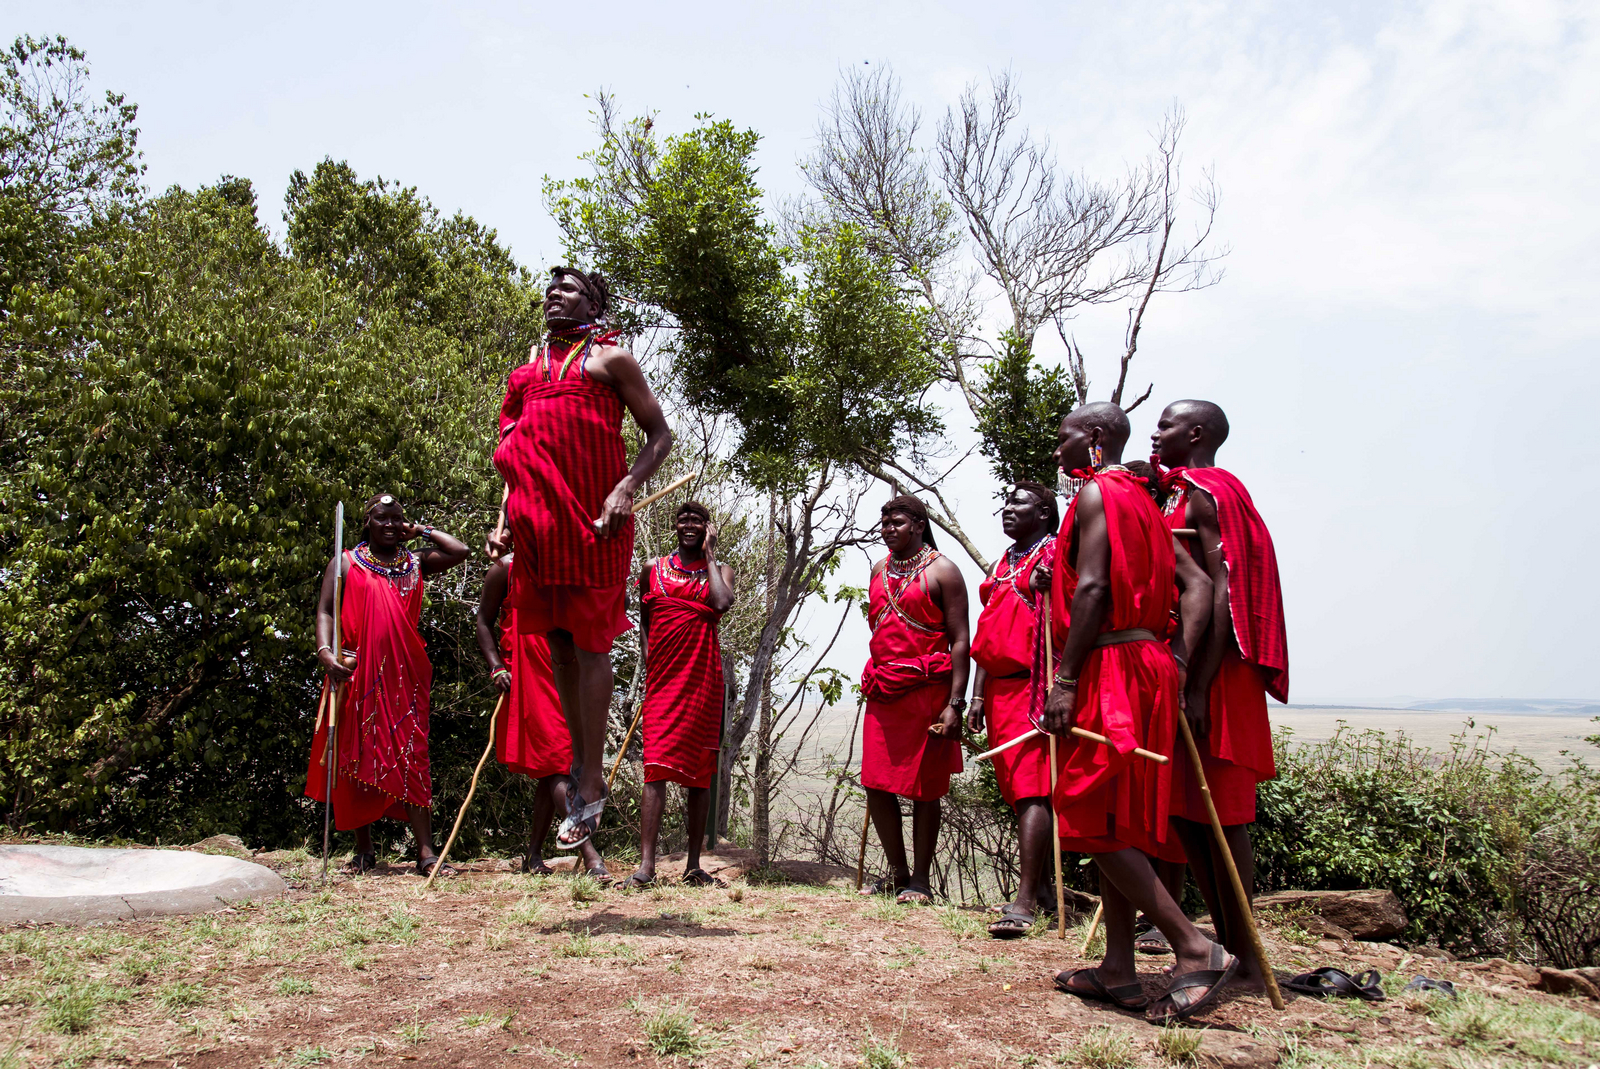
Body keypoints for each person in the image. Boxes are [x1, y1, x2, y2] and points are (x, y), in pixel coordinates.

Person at [1038, 403, 1233, 1025]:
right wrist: (1175, 660)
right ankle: (1118, 968)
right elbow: (1197, 585)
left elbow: (1095, 588)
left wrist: (1065, 680)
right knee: (1116, 817)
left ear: (1094, 437)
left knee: (1083, 811)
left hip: (1111, 667)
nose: (1058, 450)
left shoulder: (1099, 494)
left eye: (1065, 437)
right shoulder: (1148, 501)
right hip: (1144, 663)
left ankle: (1195, 947)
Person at [488, 267, 673, 850]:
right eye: (550, 289)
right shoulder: (526, 374)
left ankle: (591, 777)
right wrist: (504, 521)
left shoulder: (612, 360)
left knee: (591, 643)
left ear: (593, 303)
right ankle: (577, 762)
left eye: (568, 289)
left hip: (596, 521)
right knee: (559, 645)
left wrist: (626, 489)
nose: (554, 295)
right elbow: (516, 454)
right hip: (538, 528)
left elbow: (660, 436)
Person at [1151, 399, 1289, 994]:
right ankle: (1229, 951)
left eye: (1166, 424)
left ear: (1197, 433)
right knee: (1188, 814)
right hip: (1187, 666)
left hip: (1217, 670)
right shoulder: (1178, 493)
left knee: (1223, 815)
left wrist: (1199, 682)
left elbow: (1223, 589)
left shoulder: (1211, 493)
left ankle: (1250, 960)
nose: (1156, 433)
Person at [306, 494, 470, 876]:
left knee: (413, 757)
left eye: (397, 519)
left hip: (403, 679)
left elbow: (459, 551)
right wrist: (325, 652)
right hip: (355, 672)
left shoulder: (415, 563)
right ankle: (363, 851)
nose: (391, 525)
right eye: (382, 518)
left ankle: (426, 854)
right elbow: (326, 610)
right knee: (355, 754)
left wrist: (421, 530)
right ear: (368, 522)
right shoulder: (346, 562)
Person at [859, 495, 970, 904]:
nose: (888, 529)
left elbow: (961, 640)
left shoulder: (944, 571)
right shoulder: (879, 569)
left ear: (919, 526)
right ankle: (897, 874)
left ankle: (920, 881)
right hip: (884, 688)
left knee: (925, 788)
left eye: (897, 523)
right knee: (875, 783)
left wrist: (955, 704)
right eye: (884, 522)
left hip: (928, 691)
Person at [476, 554, 610, 882]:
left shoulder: (567, 562)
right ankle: (590, 855)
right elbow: (483, 621)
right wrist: (496, 667)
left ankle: (533, 854)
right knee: (556, 763)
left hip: (566, 673)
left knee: (553, 765)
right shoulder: (504, 569)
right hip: (528, 675)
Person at [623, 501, 736, 889]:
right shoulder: (652, 569)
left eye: (697, 522)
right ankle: (646, 867)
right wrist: (649, 658)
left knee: (700, 774)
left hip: (703, 679)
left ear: (707, 528)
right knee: (655, 767)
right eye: (683, 520)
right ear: (674, 525)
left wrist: (710, 554)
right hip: (663, 679)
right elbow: (645, 620)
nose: (689, 526)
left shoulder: (720, 571)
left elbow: (721, 603)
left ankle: (693, 864)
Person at [967, 481, 1060, 937]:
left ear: (1043, 513)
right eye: (1005, 502)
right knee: (1016, 789)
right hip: (1000, 690)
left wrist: (1051, 588)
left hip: (1034, 685)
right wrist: (978, 695)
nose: (1007, 509)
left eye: (1018, 503)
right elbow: (988, 632)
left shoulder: (1056, 554)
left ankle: (1024, 902)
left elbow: (1068, 617)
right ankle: (1041, 893)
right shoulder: (1005, 561)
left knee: (1032, 790)